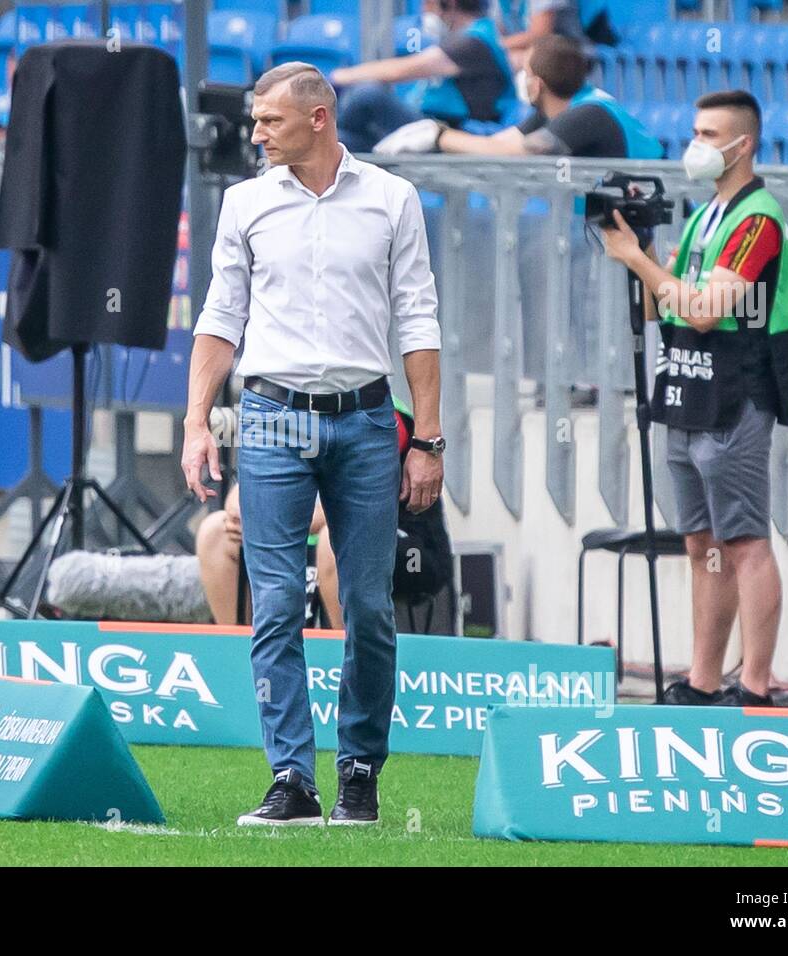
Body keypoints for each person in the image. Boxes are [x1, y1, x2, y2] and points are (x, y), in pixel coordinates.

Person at [182, 62, 444, 827]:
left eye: (270, 121)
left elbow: (419, 322)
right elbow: (219, 317)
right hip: (269, 417)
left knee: (367, 605)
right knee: (273, 605)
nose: (256, 133)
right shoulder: (244, 203)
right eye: (257, 121)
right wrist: (199, 420)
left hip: (366, 418)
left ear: (320, 118)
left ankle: (358, 770)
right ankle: (292, 779)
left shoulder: (393, 199)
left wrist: (426, 438)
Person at [600, 90, 788, 707]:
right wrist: (648, 254)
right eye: (695, 132)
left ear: (744, 145)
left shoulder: (757, 218)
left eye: (710, 135)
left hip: (736, 392)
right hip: (685, 388)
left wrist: (635, 258)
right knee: (700, 544)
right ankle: (703, 679)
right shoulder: (703, 216)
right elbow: (666, 303)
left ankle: (756, 685)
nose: (698, 145)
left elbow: (709, 310)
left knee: (744, 542)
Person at [197, 398, 453, 630]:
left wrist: (268, 517)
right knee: (215, 532)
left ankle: (346, 660)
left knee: (338, 538)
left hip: (406, 549)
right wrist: (254, 513)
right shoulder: (282, 402)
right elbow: (238, 503)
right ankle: (242, 655)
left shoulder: (386, 414)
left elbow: (351, 509)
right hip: (300, 535)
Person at [374, 35, 661, 159]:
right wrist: (440, 136)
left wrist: (439, 137)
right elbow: (498, 144)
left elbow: (523, 151)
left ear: (536, 85)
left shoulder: (591, 112)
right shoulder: (551, 112)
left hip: (663, 227)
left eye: (525, 72)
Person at [330, 0, 515, 153]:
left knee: (367, 94)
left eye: (428, 3)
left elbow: (401, 70)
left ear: (449, 4)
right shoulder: (470, 35)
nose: (423, 10)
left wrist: (342, 76)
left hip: (451, 133)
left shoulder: (473, 41)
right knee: (346, 141)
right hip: (433, 124)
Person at [497, 0, 591, 69]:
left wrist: (494, 45)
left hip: (568, 55)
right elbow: (495, 30)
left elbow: (540, 35)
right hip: (527, 51)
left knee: (503, 60)